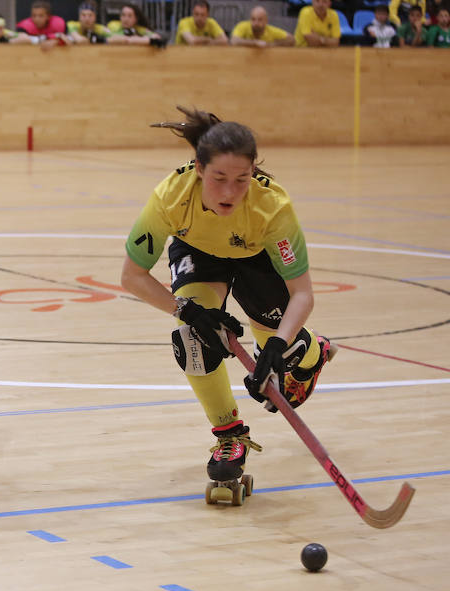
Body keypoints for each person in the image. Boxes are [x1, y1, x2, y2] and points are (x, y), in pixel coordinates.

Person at [121, 106, 336, 492]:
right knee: (192, 339)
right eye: (219, 178)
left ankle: (311, 352)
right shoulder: (171, 197)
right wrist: (187, 309)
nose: (229, 192)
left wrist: (274, 345)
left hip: (258, 257)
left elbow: (302, 292)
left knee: (283, 346)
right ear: (199, 169)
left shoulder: (273, 208)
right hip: (199, 251)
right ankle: (229, 436)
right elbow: (132, 276)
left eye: (242, 180)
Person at [230, 5, 295, 47]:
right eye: (253, 19)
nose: (256, 23)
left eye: (260, 20)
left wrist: (270, 45)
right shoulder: (242, 26)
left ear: (266, 21)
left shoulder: (271, 30)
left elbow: (292, 40)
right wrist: (255, 43)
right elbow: (234, 41)